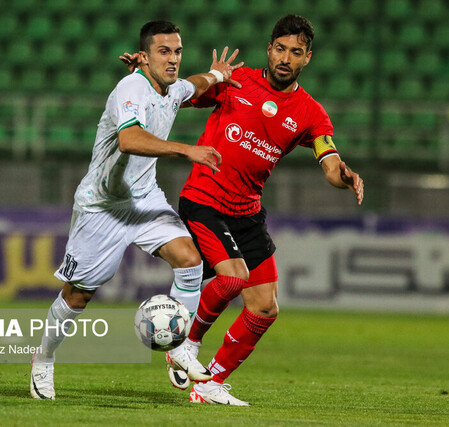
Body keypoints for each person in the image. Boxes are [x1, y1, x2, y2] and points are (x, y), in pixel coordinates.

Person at [123, 14, 364, 406]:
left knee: (265, 308)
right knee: (233, 279)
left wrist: (343, 176)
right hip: (205, 198)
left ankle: (209, 384)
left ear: (308, 59)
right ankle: (185, 345)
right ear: (269, 49)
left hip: (247, 211)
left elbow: (329, 158)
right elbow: (176, 92)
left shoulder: (310, 112)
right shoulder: (236, 81)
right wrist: (148, 72)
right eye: (281, 49)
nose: (286, 58)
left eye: (296, 52)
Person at [30, 20, 243, 400]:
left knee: (190, 260)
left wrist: (217, 74)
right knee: (79, 294)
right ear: (144, 56)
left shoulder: (172, 87)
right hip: (103, 206)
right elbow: (128, 140)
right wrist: (186, 149)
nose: (173, 59)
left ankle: (177, 349)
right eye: (164, 51)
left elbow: (194, 85)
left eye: (177, 51)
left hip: (144, 198)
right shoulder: (130, 86)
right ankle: (43, 359)